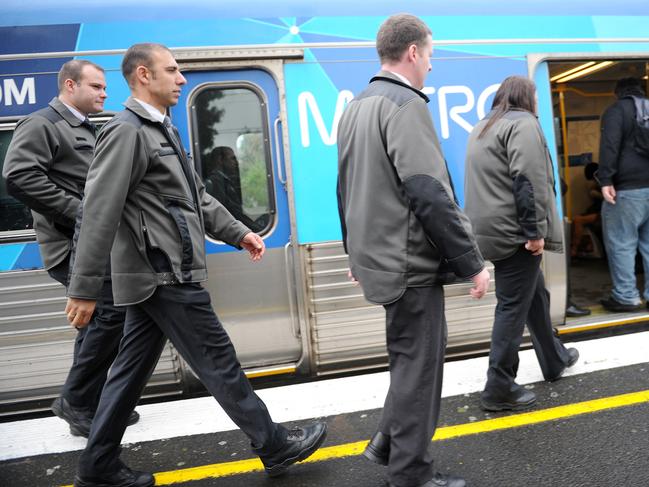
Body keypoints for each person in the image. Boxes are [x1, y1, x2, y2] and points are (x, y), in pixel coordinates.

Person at [65, 43, 326, 487]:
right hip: (164, 272)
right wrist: (84, 287)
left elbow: (195, 198)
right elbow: (98, 210)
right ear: (144, 75)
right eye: (172, 70)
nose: (182, 78)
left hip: (161, 273)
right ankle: (274, 444)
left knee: (128, 373)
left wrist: (239, 230)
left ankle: (98, 465)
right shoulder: (127, 131)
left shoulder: (159, 130)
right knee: (219, 360)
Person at [337, 14, 490, 487]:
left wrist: (354, 254)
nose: (431, 65)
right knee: (419, 371)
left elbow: (345, 189)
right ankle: (411, 476)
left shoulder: (357, 105)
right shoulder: (405, 105)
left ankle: (388, 443)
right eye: (430, 55)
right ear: (412, 53)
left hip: (381, 260)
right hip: (409, 267)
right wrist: (472, 263)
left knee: (409, 363)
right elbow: (427, 191)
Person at [2, 60, 139, 437]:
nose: (104, 93)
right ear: (69, 85)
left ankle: (89, 405)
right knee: (110, 314)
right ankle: (76, 401)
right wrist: (81, 214)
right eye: (96, 86)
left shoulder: (84, 128)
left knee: (101, 319)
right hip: (71, 247)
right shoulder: (42, 123)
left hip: (94, 243)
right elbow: (19, 177)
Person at [464, 76, 579, 413]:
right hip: (515, 232)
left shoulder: (484, 126)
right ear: (526, 98)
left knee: (535, 294)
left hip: (490, 230)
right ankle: (498, 387)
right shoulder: (524, 124)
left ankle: (554, 358)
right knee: (512, 306)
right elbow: (527, 180)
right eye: (535, 97)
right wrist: (534, 231)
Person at [598, 77, 649, 312]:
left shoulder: (616, 111)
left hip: (627, 190)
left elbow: (610, 145)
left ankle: (626, 296)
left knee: (622, 243)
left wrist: (606, 179)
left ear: (617, 92)